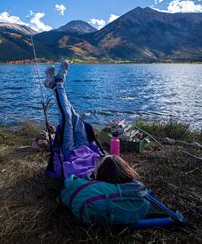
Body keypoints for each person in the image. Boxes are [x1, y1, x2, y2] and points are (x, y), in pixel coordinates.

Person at [45, 62, 149, 225]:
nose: (100, 157)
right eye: (103, 158)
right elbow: (104, 157)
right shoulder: (106, 166)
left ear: (99, 172)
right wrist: (97, 150)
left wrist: (56, 149)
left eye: (100, 160)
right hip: (84, 143)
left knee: (66, 117)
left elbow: (61, 170)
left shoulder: (80, 177)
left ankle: (58, 83)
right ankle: (55, 85)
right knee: (75, 117)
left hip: (69, 149)